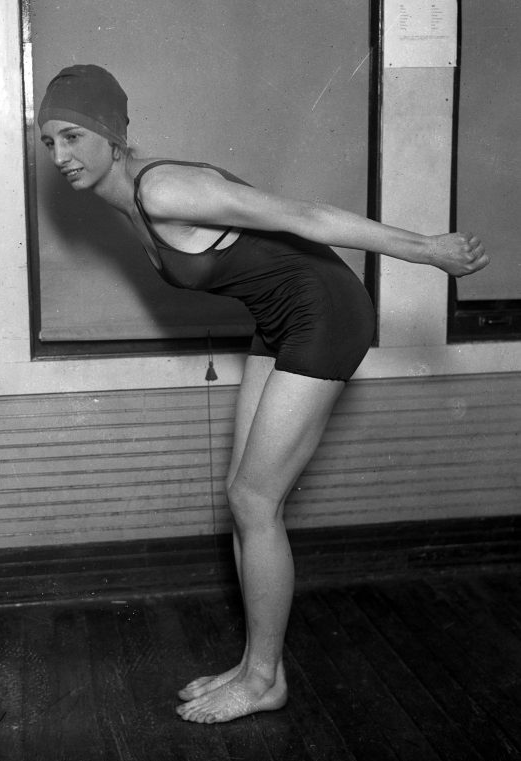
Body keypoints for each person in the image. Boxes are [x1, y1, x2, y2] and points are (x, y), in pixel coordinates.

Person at [38, 64, 489, 724]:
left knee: (256, 498)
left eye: (73, 136)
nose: (60, 156)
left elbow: (303, 216)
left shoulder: (164, 188)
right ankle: (253, 663)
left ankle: (265, 678)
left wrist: (429, 250)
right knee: (241, 496)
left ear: (111, 135)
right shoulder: (130, 199)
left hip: (326, 313)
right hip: (281, 317)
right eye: (49, 142)